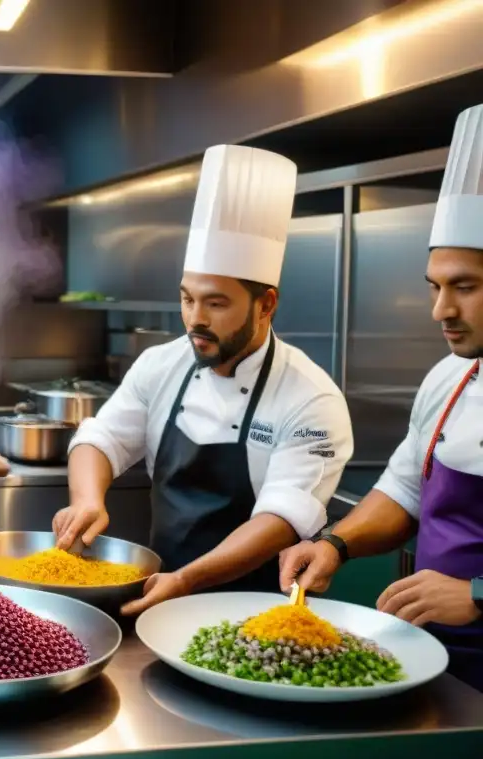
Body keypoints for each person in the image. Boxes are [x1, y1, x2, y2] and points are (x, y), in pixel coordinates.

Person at [52, 144, 354, 615]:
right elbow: (102, 437)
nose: (195, 319)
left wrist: (188, 579)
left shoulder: (311, 398)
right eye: (187, 299)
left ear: (266, 304)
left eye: (216, 303)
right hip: (160, 595)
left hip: (258, 616)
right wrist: (87, 499)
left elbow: (281, 518)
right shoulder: (162, 364)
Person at [279, 104, 483, 691]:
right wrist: (335, 545)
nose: (441, 309)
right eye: (436, 286)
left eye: (464, 287)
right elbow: (404, 489)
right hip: (435, 667)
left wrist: (478, 594)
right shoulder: (449, 378)